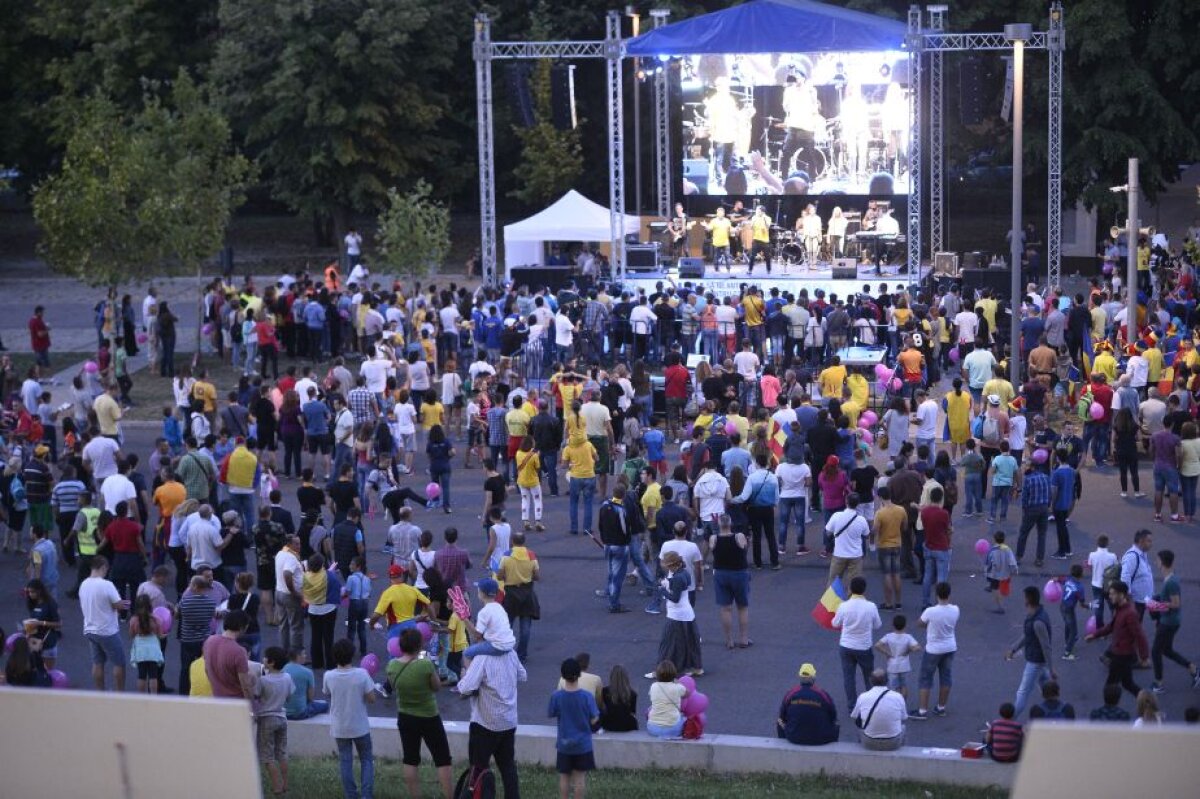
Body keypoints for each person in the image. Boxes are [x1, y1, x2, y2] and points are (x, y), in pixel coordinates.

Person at [387, 626, 453, 799]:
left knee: (410, 759)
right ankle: (449, 796)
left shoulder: (392, 666)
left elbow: (393, 687)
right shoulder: (425, 665)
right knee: (442, 759)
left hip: (405, 716)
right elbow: (437, 687)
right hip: (429, 716)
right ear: (419, 646)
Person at [456, 643, 527, 797]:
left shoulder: (482, 658)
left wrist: (465, 672)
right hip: (508, 722)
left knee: (478, 769)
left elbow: (464, 688)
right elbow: (522, 675)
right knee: (508, 767)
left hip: (484, 724)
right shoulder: (511, 654)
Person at [324, 638, 377, 799]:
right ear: (353, 655)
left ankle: (351, 795)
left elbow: (327, 693)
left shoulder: (329, 676)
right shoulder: (362, 674)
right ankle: (366, 795)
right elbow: (372, 699)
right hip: (360, 725)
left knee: (345, 761)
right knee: (366, 759)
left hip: (340, 726)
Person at [548, 657, 600, 799]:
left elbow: (551, 713)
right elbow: (595, 717)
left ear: (562, 675)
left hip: (564, 744)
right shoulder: (587, 697)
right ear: (579, 674)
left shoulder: (557, 696)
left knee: (564, 777)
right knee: (579, 779)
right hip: (583, 745)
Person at [1150, 549, 1199, 693]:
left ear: (1162, 562)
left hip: (1169, 622)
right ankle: (1193, 669)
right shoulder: (1171, 577)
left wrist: (1157, 605)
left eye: (1157, 560)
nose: (1156, 562)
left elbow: (1176, 604)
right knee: (1166, 650)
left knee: (1155, 652)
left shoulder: (1170, 582)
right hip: (1171, 621)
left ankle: (1158, 684)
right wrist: (1158, 599)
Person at [79, 555, 130, 691]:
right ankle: (119, 694)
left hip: (90, 629)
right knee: (119, 663)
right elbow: (118, 605)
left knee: (97, 663)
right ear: (103, 567)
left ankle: (100, 693)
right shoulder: (106, 584)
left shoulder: (83, 584)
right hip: (107, 631)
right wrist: (124, 604)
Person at [832, 575, 881, 711]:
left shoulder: (843, 606)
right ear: (864, 590)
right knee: (868, 676)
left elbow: (835, 623)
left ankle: (852, 706)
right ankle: (871, 704)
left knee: (849, 677)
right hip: (864, 646)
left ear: (850, 589)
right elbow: (878, 625)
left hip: (846, 646)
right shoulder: (871, 606)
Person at [910, 582, 959, 719]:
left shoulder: (930, 611)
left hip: (933, 649)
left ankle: (922, 711)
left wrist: (931, 626)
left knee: (925, 679)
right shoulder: (955, 609)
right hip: (950, 647)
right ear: (949, 594)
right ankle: (941, 707)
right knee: (946, 678)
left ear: (936, 594)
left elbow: (919, 623)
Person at [1008, 586, 1056, 717]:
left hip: (1035, 661)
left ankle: (1010, 721)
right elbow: (1028, 635)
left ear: (1027, 600)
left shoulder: (1037, 622)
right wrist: (1014, 648)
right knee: (1045, 686)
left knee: (1022, 692)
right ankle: (1054, 711)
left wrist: (1051, 669)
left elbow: (1046, 646)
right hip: (1037, 660)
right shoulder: (1035, 615)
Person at [256, 647, 296, 796]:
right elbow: (290, 696)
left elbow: (256, 695)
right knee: (282, 752)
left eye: (266, 658)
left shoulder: (263, 680)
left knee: (267, 755)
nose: (263, 660)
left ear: (271, 663)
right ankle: (285, 783)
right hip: (282, 717)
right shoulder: (287, 677)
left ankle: (276, 786)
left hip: (267, 718)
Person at [777, 662, 839, 746]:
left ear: (800, 677)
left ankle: (782, 747)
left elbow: (782, 716)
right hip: (822, 738)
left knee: (779, 721)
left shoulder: (791, 693)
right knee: (837, 723)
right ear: (814, 678)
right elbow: (833, 716)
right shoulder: (822, 694)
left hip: (794, 737)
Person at [851, 669, 908, 751]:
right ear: (887, 681)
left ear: (871, 681)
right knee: (903, 727)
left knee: (860, 728)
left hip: (869, 742)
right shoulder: (898, 696)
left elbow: (855, 716)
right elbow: (904, 717)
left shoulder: (863, 696)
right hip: (893, 743)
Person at [875, 614, 919, 700]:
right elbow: (917, 647)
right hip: (904, 666)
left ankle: (894, 704)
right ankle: (902, 704)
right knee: (904, 686)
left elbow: (877, 645)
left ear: (893, 625)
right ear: (905, 625)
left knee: (893, 688)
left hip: (892, 666)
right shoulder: (908, 637)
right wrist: (908, 651)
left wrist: (887, 653)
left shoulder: (889, 636)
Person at [645, 659, 688, 738]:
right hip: (673, 729)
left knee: (649, 709)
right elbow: (687, 694)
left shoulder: (653, 686)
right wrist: (678, 682)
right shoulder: (678, 687)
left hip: (653, 729)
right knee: (684, 717)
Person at [284, 649, 329, 721]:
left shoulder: (283, 669)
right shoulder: (308, 672)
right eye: (304, 654)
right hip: (300, 713)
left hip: (283, 712)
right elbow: (310, 697)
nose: (305, 656)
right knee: (325, 705)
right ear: (298, 656)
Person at [599, 664, 638, 732]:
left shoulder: (605, 691)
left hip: (608, 723)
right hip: (626, 725)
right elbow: (632, 712)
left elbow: (604, 707)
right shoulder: (632, 694)